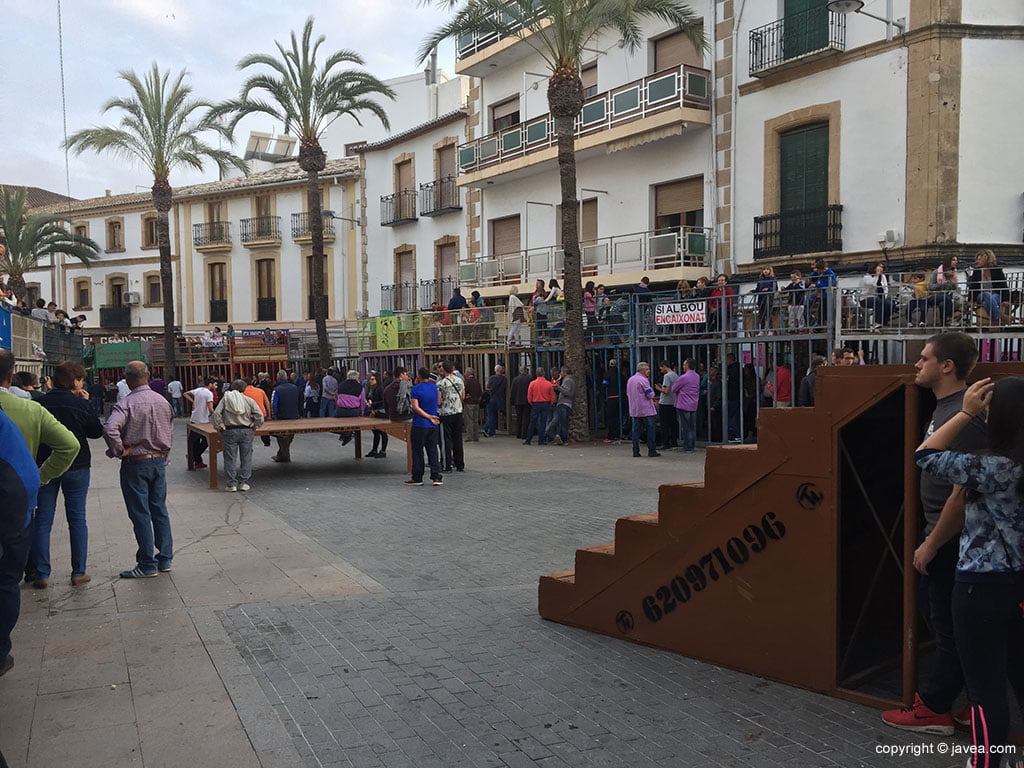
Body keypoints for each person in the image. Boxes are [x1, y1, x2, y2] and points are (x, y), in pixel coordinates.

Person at [910, 375, 1024, 767]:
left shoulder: (994, 467)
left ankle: (987, 761)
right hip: (1018, 586)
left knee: (984, 686)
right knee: (1019, 676)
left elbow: (924, 454)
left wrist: (963, 413)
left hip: (980, 586)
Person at [882, 332, 986, 737]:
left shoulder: (964, 418)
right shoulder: (944, 408)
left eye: (924, 359)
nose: (916, 365)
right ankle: (974, 704)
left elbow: (961, 495)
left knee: (948, 626)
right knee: (948, 621)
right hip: (944, 538)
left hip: (952, 543)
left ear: (947, 366)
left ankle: (935, 708)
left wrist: (932, 542)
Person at [28, 362, 104, 588]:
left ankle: (41, 573)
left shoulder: (39, 403)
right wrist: (87, 404)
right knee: (77, 518)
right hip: (77, 466)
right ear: (75, 381)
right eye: (80, 379)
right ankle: (78, 571)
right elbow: (96, 432)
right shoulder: (79, 404)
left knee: (42, 521)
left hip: (46, 466)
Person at [102, 361, 174, 579]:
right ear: (148, 375)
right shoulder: (162, 401)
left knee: (140, 513)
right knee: (159, 510)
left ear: (127, 378)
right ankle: (165, 558)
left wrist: (118, 450)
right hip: (159, 460)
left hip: (136, 461)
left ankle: (146, 563)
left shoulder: (126, 404)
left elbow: (109, 428)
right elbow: (169, 431)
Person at [0, 405, 42, 685]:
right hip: (19, 503)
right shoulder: (29, 407)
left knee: (4, 582)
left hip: (10, 504)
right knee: (6, 582)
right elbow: (69, 443)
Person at [210, 379, 264, 492]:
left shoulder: (225, 399)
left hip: (230, 431)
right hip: (246, 430)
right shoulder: (249, 400)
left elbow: (215, 413)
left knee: (230, 458)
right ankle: (243, 482)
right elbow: (259, 415)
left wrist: (219, 426)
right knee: (246, 457)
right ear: (244, 388)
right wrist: (255, 425)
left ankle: (231, 484)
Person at [406, 367, 442, 486]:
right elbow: (438, 402)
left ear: (419, 376)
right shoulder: (434, 387)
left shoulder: (415, 389)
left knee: (417, 451)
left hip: (420, 423)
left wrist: (427, 416)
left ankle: (417, 477)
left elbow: (415, 407)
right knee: (432, 450)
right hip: (433, 423)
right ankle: (436, 476)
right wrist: (432, 416)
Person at [967, 249, 1010, 326]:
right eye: (977, 259)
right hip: (981, 295)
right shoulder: (977, 271)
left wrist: (1006, 299)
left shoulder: (997, 270)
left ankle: (994, 319)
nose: (977, 261)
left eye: (980, 259)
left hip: (995, 294)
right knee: (986, 294)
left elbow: (1004, 285)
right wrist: (971, 300)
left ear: (986, 259)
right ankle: (1000, 316)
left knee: (987, 302)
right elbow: (973, 286)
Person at [437, 361, 466, 472]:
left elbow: (438, 401)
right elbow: (463, 396)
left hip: (446, 413)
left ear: (443, 370)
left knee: (446, 440)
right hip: (458, 411)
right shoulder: (460, 380)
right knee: (458, 438)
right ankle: (460, 464)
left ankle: (447, 465)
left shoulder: (441, 383)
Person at [626, 362, 660, 457]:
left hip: (635, 409)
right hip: (646, 409)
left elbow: (628, 393)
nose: (648, 371)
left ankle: (635, 451)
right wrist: (653, 395)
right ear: (642, 370)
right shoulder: (643, 380)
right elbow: (649, 394)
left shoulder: (631, 380)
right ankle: (652, 450)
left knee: (636, 430)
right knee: (650, 429)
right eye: (647, 369)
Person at [184, 378, 215, 470]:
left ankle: (197, 459)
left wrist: (193, 401)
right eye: (215, 384)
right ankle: (193, 455)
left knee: (194, 440)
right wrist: (216, 415)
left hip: (195, 417)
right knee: (205, 441)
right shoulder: (209, 393)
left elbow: (185, 393)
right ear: (210, 384)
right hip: (203, 420)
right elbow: (210, 408)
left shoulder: (197, 390)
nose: (216, 386)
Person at [270, 370, 301, 463]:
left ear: (278, 378)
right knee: (290, 435)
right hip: (294, 415)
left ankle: (285, 455)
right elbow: (299, 400)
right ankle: (281, 454)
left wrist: (274, 416)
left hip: (282, 417)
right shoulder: (295, 388)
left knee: (282, 436)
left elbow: (274, 404)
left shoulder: (277, 390)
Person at [671, 358, 700, 451]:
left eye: (684, 365)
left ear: (687, 365)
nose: (683, 366)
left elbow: (674, 389)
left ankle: (687, 446)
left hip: (683, 404)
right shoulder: (697, 376)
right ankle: (692, 445)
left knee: (686, 427)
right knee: (692, 426)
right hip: (693, 404)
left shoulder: (684, 377)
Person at [544, 365, 575, 446]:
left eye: (561, 372)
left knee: (559, 422)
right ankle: (558, 436)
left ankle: (548, 433)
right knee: (560, 422)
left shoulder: (567, 380)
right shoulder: (568, 379)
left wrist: (558, 387)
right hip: (564, 403)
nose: (561, 374)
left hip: (563, 403)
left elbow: (567, 392)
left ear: (564, 372)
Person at [524, 368, 555, 446]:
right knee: (543, 422)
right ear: (544, 373)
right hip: (545, 403)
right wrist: (551, 403)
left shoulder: (532, 384)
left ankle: (528, 439)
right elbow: (552, 395)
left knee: (532, 422)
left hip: (535, 403)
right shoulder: (548, 384)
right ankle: (541, 440)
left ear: (536, 374)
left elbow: (529, 396)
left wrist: (531, 402)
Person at [859, 261, 895, 328]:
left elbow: (885, 288)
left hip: (879, 297)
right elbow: (873, 284)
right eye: (879, 266)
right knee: (879, 301)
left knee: (890, 304)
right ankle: (877, 322)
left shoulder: (883, 276)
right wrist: (877, 275)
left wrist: (885, 297)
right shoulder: (867, 277)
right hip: (866, 298)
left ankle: (884, 321)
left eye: (882, 267)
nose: (881, 268)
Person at [335, 370, 366, 446]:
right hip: (353, 411)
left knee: (336, 422)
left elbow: (336, 397)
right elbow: (362, 402)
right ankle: (348, 434)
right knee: (354, 424)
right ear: (356, 378)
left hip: (340, 411)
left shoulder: (341, 385)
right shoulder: (360, 387)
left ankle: (345, 434)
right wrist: (361, 413)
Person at [654, 361, 679, 450]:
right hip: (673, 401)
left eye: (661, 368)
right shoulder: (675, 375)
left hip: (665, 402)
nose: (660, 370)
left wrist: (658, 389)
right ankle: (674, 441)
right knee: (673, 423)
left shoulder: (667, 376)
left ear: (664, 366)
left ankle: (665, 442)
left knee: (664, 424)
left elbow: (666, 391)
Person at [244, 377, 273, 447]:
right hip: (262, 414)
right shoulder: (260, 391)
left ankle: (247, 442)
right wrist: (269, 415)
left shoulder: (242, 392)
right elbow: (267, 403)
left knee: (247, 430)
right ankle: (266, 440)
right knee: (264, 428)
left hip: (249, 415)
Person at [366, 373, 389, 458]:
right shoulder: (372, 388)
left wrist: (373, 404)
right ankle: (374, 449)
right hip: (374, 412)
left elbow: (383, 401)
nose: (370, 381)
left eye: (372, 379)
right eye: (370, 379)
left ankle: (383, 451)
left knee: (383, 432)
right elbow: (370, 397)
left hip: (381, 412)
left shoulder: (380, 389)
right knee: (375, 431)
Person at [482, 364, 506, 438]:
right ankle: (492, 432)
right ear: (501, 370)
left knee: (491, 415)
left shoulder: (492, 378)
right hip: (500, 399)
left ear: (495, 370)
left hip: (491, 398)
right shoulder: (504, 379)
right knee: (495, 416)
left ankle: (486, 428)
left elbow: (488, 386)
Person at [509, 366, 531, 440]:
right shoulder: (529, 379)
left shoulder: (515, 379)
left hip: (517, 401)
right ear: (525, 371)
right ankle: (524, 434)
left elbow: (512, 391)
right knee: (526, 418)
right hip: (526, 401)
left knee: (519, 418)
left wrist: (512, 400)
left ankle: (518, 433)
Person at [463, 368, 482, 442]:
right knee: (475, 420)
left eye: (465, 372)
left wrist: (464, 399)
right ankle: (476, 436)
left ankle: (469, 436)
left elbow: (464, 391)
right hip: (476, 403)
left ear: (468, 373)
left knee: (469, 420)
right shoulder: (477, 382)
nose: (464, 374)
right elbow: (480, 392)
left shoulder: (467, 382)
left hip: (469, 403)